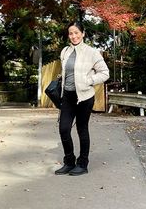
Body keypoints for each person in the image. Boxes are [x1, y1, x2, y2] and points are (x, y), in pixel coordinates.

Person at [54, 21, 110, 176]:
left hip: (85, 97)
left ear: (83, 34)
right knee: (64, 129)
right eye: (71, 33)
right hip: (68, 96)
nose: (74, 36)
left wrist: (89, 81)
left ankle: (83, 164)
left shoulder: (91, 52)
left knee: (81, 129)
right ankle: (69, 162)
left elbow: (105, 73)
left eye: (77, 33)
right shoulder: (65, 51)